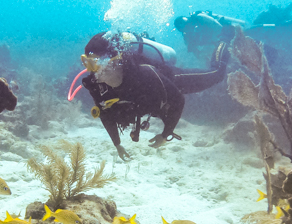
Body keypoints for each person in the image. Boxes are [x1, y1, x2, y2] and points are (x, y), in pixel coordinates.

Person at [80, 31, 230, 161]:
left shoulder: (144, 73)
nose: (94, 72)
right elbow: (105, 114)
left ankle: (225, 39)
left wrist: (165, 134)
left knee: (216, 74)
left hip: (171, 79)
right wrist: (117, 144)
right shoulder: (97, 85)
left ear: (116, 61)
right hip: (148, 98)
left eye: (98, 63)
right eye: (88, 63)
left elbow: (177, 99)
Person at [174, 10, 245, 53]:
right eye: (186, 29)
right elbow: (196, 53)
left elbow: (218, 27)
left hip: (228, 31)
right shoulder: (187, 37)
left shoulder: (200, 17)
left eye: (188, 25)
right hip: (218, 42)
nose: (189, 28)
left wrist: (217, 41)